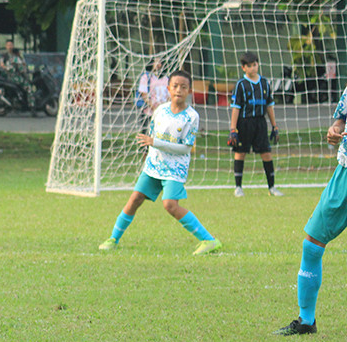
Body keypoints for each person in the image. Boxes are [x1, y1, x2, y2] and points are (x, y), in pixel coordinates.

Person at [98, 70, 221, 256]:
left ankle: (209, 240)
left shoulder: (192, 117)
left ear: (189, 91)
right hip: (153, 166)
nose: (179, 90)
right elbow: (152, 137)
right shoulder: (160, 111)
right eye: (175, 86)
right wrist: (152, 149)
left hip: (175, 169)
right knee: (134, 199)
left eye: (183, 87)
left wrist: (156, 143)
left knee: (170, 205)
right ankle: (113, 239)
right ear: (168, 88)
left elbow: (185, 149)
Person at [274, 86, 347, 335]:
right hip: (344, 175)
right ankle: (306, 321)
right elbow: (340, 120)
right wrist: (334, 131)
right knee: (312, 243)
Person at [227, 51, 281, 197]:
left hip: (260, 123)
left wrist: (274, 126)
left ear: (258, 65)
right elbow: (236, 108)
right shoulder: (240, 85)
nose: (252, 68)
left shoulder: (264, 82)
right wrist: (233, 129)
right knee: (240, 153)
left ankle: (272, 188)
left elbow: (269, 105)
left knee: (266, 153)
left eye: (254, 65)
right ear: (243, 68)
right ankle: (238, 187)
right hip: (244, 123)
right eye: (249, 66)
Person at [136, 58, 168, 130]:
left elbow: (169, 94)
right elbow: (144, 94)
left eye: (159, 62)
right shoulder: (146, 77)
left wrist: (164, 107)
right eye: (155, 62)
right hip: (149, 111)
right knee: (148, 132)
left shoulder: (166, 78)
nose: (157, 64)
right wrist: (153, 107)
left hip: (164, 111)